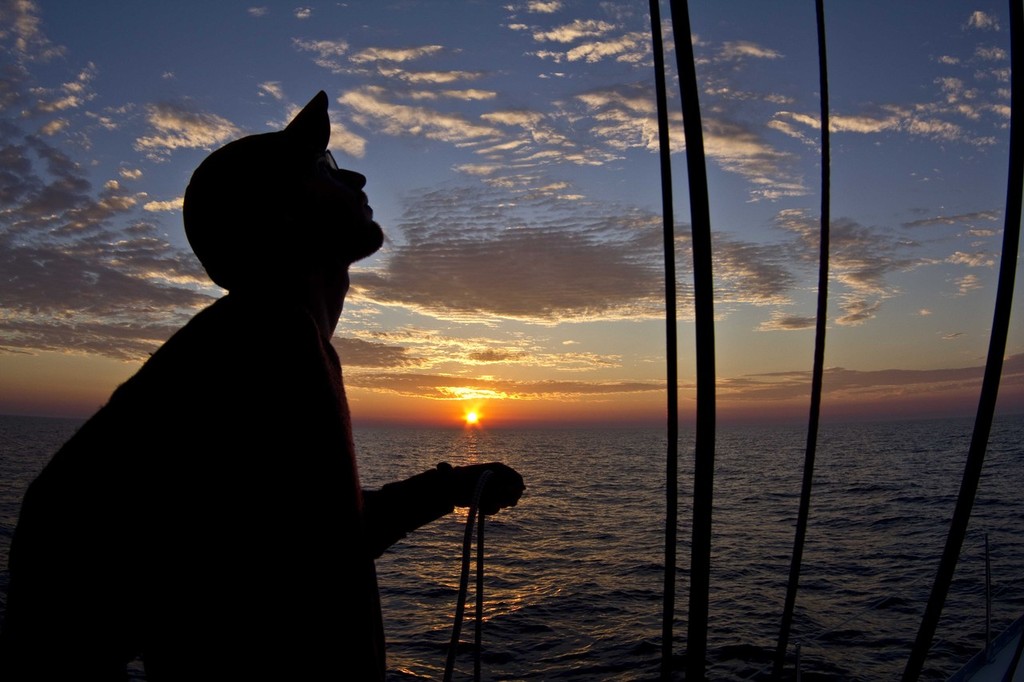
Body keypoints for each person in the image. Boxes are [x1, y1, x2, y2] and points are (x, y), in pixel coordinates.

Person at [0, 91, 525, 680]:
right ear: (283, 212)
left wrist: (447, 488)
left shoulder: (277, 341)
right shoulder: (259, 340)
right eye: (322, 168)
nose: (354, 174)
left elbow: (314, 551)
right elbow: (60, 530)